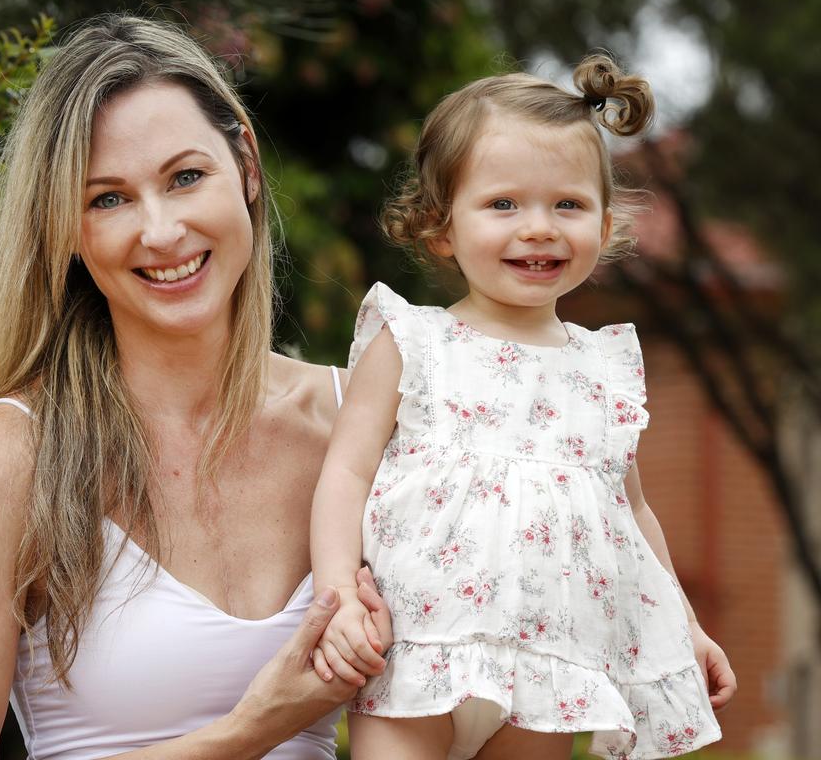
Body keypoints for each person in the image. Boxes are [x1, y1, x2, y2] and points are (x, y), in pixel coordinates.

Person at [0, 13, 392, 759]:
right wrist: (251, 731)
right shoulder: (8, 459)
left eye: (186, 177)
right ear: (63, 227)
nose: (160, 232)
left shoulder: (367, 421)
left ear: (247, 166)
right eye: (108, 199)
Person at [310, 55, 737, 760]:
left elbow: (632, 515)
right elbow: (345, 474)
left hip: (551, 666)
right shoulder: (414, 341)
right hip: (415, 644)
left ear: (604, 229)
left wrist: (683, 625)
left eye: (566, 205)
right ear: (442, 227)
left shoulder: (603, 370)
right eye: (503, 204)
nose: (538, 227)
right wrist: (338, 595)